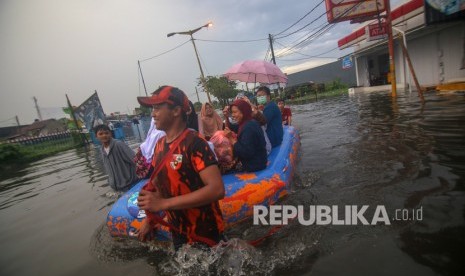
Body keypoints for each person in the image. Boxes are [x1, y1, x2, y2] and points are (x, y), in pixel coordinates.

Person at [135, 85, 225, 250]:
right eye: (152, 109)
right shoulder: (160, 145)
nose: (153, 114)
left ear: (176, 111)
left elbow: (217, 189)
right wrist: (149, 220)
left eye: (157, 108)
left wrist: (164, 204)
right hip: (178, 231)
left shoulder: (195, 143)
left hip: (206, 231)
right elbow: (158, 186)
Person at [224, 99, 267, 172]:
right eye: (232, 113)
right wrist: (226, 117)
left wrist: (232, 139)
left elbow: (246, 152)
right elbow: (231, 127)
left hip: (255, 165)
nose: (233, 115)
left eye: (235, 112)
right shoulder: (247, 122)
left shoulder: (249, 127)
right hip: (258, 160)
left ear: (244, 111)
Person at [94, 124, 138, 191]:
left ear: (110, 134)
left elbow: (135, 160)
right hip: (117, 187)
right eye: (100, 134)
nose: (104, 135)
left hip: (130, 184)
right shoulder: (102, 149)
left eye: (106, 133)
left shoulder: (118, 145)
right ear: (96, 136)